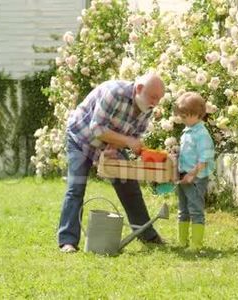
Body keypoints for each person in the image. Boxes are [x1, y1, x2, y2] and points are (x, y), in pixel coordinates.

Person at [58, 73, 166, 253]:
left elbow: (132, 135)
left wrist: (112, 150)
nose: (155, 102)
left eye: (159, 99)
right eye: (153, 97)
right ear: (139, 89)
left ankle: (147, 235)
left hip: (109, 143)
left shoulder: (147, 107)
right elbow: (97, 128)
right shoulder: (114, 92)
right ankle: (67, 241)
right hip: (81, 137)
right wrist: (128, 143)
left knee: (129, 187)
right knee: (76, 188)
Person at [174, 92, 215, 250]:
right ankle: (182, 241)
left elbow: (205, 159)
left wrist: (192, 174)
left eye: (185, 116)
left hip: (196, 179)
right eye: (181, 116)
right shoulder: (187, 131)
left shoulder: (202, 134)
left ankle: (196, 244)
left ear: (197, 114)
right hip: (183, 176)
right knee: (182, 209)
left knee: (195, 209)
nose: (182, 119)